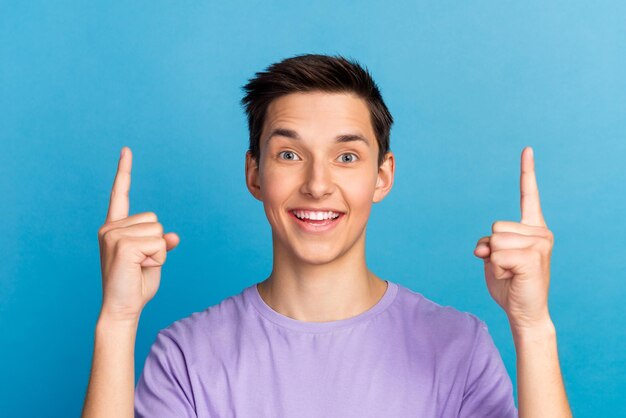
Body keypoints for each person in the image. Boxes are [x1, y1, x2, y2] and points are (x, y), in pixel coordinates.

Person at [81, 54, 572, 417]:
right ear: (254, 174)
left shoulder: (458, 346)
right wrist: (117, 320)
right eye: (290, 155)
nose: (317, 185)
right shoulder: (186, 356)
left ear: (383, 176)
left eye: (347, 156)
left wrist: (533, 327)